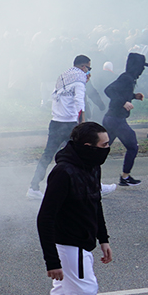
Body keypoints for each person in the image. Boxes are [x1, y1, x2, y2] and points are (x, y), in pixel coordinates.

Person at [4, 122, 126, 295]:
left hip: (84, 245)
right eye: (104, 145)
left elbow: (95, 202)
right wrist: (52, 262)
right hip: (68, 247)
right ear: (87, 147)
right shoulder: (62, 173)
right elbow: (45, 217)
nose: (108, 149)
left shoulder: (92, 165)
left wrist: (103, 238)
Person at [28, 55, 92, 199]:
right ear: (83, 67)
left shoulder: (63, 77)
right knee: (83, 153)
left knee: (48, 155)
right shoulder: (79, 81)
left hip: (56, 121)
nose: (88, 72)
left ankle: (34, 187)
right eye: (89, 68)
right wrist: (81, 123)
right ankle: (92, 186)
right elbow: (79, 101)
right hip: (70, 123)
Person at [101, 52, 148, 188]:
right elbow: (109, 90)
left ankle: (87, 174)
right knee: (133, 146)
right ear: (136, 66)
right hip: (116, 119)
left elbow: (120, 93)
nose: (143, 70)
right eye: (141, 66)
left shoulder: (130, 78)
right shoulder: (126, 77)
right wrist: (124, 102)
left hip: (112, 119)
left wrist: (133, 96)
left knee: (101, 150)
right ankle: (125, 177)